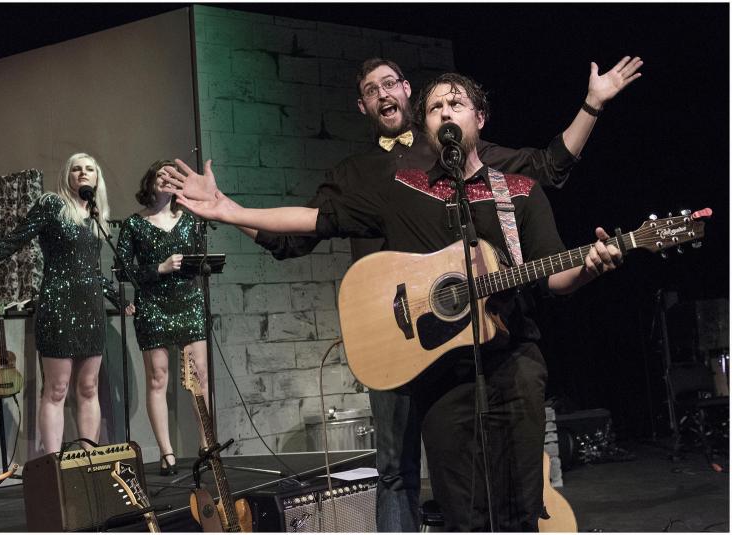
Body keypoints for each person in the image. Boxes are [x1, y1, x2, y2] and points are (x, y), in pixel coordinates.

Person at [163, 56, 642, 531]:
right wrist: (229, 209)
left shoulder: (514, 187)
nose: (446, 112)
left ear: (479, 117)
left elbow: (553, 243)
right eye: (437, 107)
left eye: (456, 104)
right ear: (421, 123)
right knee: (440, 499)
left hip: (511, 361)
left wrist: (589, 267)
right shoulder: (394, 186)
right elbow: (313, 221)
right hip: (424, 356)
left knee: (519, 510)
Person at [0, 153, 129, 454]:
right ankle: (54, 463)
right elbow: (13, 240)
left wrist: (120, 299)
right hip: (59, 305)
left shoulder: (97, 216)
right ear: (67, 176)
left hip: (91, 309)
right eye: (76, 169)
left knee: (89, 387)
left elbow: (92, 271)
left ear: (97, 178)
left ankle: (90, 459)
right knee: (57, 389)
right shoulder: (52, 205)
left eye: (89, 169)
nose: (83, 173)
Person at [116, 160, 209, 476]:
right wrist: (160, 268)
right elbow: (122, 270)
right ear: (150, 181)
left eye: (173, 175)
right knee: (158, 378)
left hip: (189, 302)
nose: (167, 179)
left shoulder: (191, 220)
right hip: (153, 305)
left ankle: (206, 445)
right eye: (161, 174)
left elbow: (201, 261)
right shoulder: (134, 224)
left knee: (199, 377)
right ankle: (167, 453)